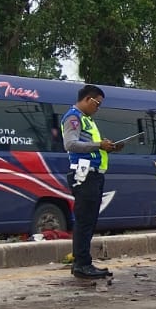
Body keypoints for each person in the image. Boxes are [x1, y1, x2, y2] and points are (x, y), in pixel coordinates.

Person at [61, 84, 121, 280]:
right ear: (87, 99)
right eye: (97, 103)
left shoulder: (87, 120)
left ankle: (83, 262)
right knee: (84, 221)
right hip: (84, 175)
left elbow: (90, 145)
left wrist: (106, 147)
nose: (98, 108)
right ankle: (82, 265)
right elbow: (70, 144)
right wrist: (98, 145)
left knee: (89, 220)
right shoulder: (73, 117)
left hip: (93, 174)